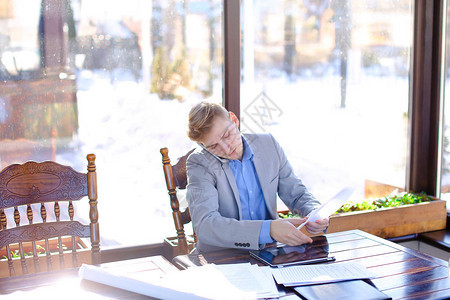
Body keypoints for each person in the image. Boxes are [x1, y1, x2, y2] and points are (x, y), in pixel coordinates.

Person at [186, 101, 329, 252]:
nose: (226, 149)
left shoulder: (268, 144)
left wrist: (315, 213)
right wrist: (268, 229)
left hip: (271, 252)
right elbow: (205, 225)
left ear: (234, 120)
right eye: (213, 146)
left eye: (226, 135)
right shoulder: (199, 163)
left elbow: (296, 193)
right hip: (223, 257)